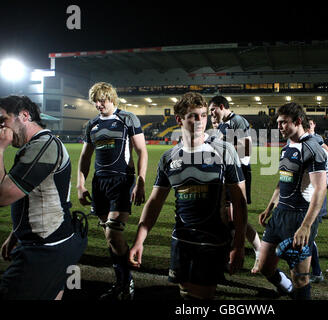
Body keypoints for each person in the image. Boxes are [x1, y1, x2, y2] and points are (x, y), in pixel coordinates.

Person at [129, 92, 247, 299]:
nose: (200, 121)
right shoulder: (169, 158)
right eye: (193, 116)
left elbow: (239, 203)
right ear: (179, 119)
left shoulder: (224, 150)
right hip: (181, 241)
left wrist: (238, 245)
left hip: (212, 241)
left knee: (201, 297)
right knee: (184, 293)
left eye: (203, 115)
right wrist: (139, 240)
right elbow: (155, 202)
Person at [0, 95, 87, 300]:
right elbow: (34, 194)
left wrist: (0, 147)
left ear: (24, 115)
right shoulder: (39, 145)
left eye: (3, 120)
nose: (1, 126)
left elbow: (2, 196)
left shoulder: (44, 146)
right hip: (56, 241)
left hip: (46, 248)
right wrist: (16, 234)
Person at [77, 82, 148, 300]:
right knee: (110, 238)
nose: (99, 104)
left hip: (122, 182)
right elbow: (85, 157)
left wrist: (141, 181)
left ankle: (126, 281)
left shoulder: (127, 119)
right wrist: (80, 184)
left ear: (111, 98)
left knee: (113, 233)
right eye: (95, 101)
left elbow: (141, 151)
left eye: (102, 100)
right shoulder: (92, 124)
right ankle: (121, 283)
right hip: (100, 184)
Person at [258, 102, 328, 300]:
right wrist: (269, 207)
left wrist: (306, 226)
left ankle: (296, 292)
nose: (279, 127)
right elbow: (282, 182)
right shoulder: (288, 147)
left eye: (284, 123)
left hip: (299, 217)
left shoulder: (313, 148)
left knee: (300, 278)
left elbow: (320, 189)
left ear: (298, 121)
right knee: (264, 266)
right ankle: (287, 289)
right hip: (280, 214)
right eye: (278, 123)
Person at [208, 95, 261, 273]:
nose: (211, 114)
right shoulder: (223, 125)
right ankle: (228, 254)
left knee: (237, 216)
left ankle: (258, 250)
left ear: (221, 106)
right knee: (227, 217)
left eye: (212, 110)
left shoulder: (237, 121)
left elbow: (246, 149)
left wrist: (222, 143)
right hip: (225, 173)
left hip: (239, 172)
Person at [306, 118, 328, 283]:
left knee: (309, 238)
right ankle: (310, 272)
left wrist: (317, 190)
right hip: (297, 203)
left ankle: (314, 272)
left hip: (313, 201)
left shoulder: (317, 143)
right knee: (305, 237)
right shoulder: (292, 146)